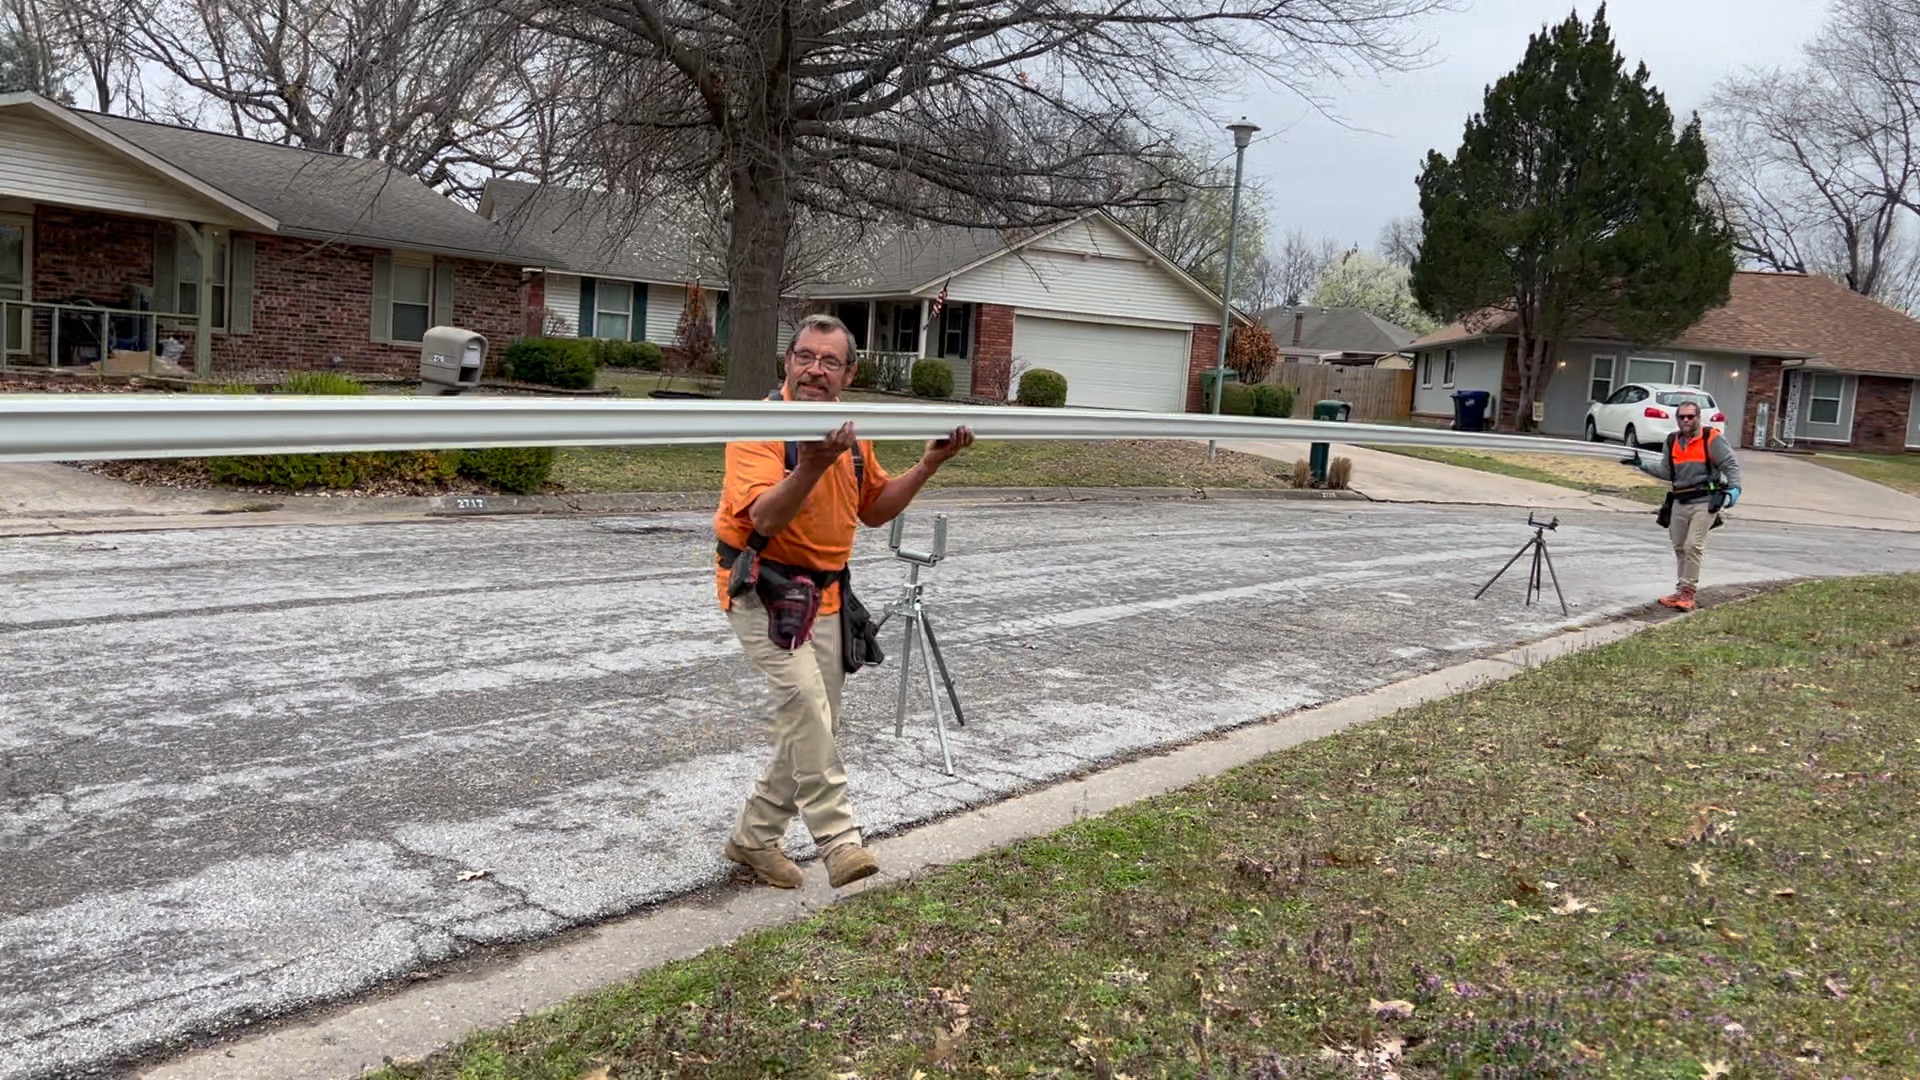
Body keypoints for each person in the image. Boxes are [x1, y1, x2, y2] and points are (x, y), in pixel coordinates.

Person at [712, 313, 974, 890]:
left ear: (849, 372)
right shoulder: (758, 425)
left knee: (815, 723)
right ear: (788, 362)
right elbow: (763, 516)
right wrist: (810, 464)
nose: (815, 370)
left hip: (825, 595)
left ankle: (753, 840)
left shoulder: (854, 434)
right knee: (807, 709)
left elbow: (875, 509)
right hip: (761, 587)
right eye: (805, 356)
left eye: (830, 361)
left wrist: (929, 463)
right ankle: (838, 840)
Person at [1621, 398, 1742, 612]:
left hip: (1705, 501)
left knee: (1692, 546)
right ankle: (1681, 589)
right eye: (1682, 417)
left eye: (1690, 416)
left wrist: (1734, 490)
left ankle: (1688, 593)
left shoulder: (1711, 438)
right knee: (1679, 546)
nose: (1686, 420)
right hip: (1679, 500)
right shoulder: (1672, 441)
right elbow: (1667, 472)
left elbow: (1730, 465)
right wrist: (1642, 465)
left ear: (1698, 418)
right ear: (1677, 419)